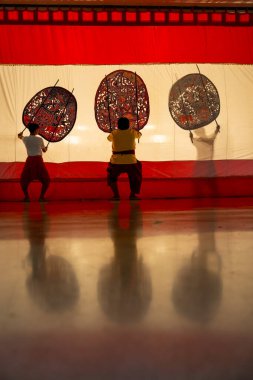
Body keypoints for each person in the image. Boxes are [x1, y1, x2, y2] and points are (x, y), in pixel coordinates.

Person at [107, 117, 142, 200]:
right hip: (131, 161)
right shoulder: (132, 132)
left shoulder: (114, 133)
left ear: (118, 125)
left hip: (116, 161)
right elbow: (139, 135)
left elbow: (108, 139)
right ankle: (132, 195)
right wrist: (136, 128)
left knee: (111, 177)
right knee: (136, 176)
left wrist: (112, 131)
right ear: (128, 124)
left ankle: (116, 195)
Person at [18, 123, 50, 202]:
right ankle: (41, 197)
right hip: (38, 160)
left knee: (24, 179)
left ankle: (26, 197)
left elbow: (20, 136)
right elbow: (44, 151)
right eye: (38, 129)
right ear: (35, 130)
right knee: (46, 179)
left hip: (30, 160)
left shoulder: (25, 139)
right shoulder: (39, 139)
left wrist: (20, 134)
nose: (38, 130)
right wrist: (46, 148)